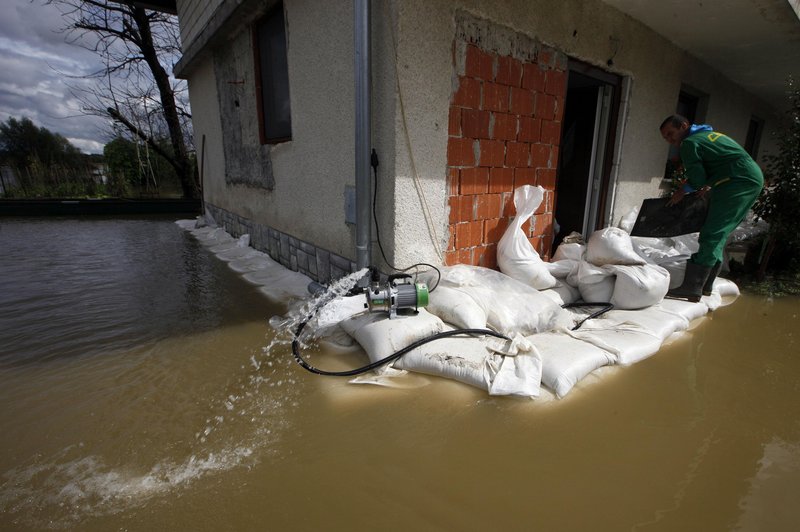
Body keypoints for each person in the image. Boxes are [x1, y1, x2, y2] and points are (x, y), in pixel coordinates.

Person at [659, 114, 764, 302]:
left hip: (737, 181)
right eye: (665, 137)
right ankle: (705, 286)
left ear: (683, 126)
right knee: (719, 232)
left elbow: (697, 178)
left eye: (670, 133)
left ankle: (692, 287)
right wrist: (708, 184)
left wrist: (682, 191)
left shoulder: (689, 144)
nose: (669, 140)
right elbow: (723, 162)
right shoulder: (707, 136)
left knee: (712, 232)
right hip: (744, 178)